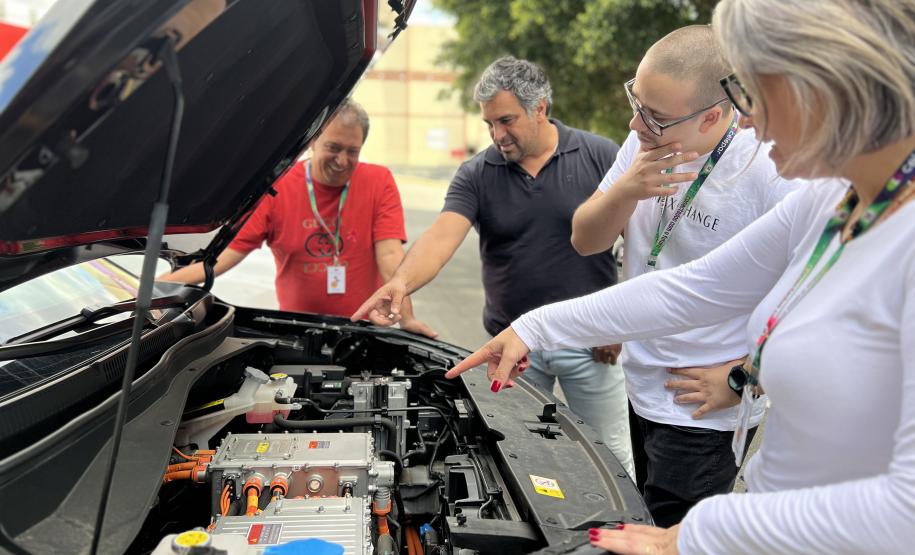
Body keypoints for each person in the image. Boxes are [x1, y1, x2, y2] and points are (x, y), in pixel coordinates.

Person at [447, 0, 915, 552]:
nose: (746, 120)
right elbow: (693, 289)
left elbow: (903, 511)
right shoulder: (829, 202)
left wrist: (693, 535)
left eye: (755, 93)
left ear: (830, 87)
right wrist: (533, 328)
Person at [351, 56, 635, 475]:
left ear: (540, 109)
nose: (497, 135)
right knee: (524, 461)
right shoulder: (477, 173)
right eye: (489, 124)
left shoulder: (599, 155)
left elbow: (638, 242)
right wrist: (401, 283)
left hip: (590, 341)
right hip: (513, 347)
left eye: (506, 121)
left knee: (611, 458)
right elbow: (441, 237)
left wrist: (620, 321)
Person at [566, 24, 799, 527]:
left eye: (655, 116)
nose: (635, 123)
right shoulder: (643, 144)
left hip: (705, 407)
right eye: (636, 101)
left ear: (713, 114)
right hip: (642, 380)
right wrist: (626, 190)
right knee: (646, 520)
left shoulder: (771, 167)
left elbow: (815, 291)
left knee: (675, 537)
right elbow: (585, 239)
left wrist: (746, 377)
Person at [159, 100, 435, 337]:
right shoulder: (278, 187)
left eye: (352, 151)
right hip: (298, 330)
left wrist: (406, 318)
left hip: (363, 329)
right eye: (333, 147)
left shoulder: (378, 181)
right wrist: (156, 287)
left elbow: (390, 256)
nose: (342, 161)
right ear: (313, 141)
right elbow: (223, 259)